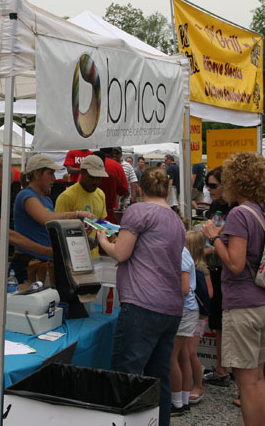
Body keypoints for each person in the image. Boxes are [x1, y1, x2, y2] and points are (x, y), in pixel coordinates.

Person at [97, 167, 186, 426]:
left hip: (141, 304)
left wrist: (103, 239)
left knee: (126, 377)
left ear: (141, 189)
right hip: (170, 308)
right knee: (159, 379)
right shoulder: (176, 220)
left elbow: (121, 253)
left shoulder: (138, 211)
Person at [201, 152, 265, 426]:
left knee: (246, 383)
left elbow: (235, 264)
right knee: (258, 379)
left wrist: (214, 237)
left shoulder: (239, 214)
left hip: (245, 303)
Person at [12, 154, 94, 283]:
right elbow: (46, 219)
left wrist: (80, 230)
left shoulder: (47, 201)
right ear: (37, 174)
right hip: (28, 263)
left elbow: (53, 229)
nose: (54, 178)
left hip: (46, 261)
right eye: (50, 174)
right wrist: (76, 214)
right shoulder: (25, 195)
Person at [202, 166, 233, 388]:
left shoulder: (236, 208)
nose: (209, 189)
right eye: (207, 185)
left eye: (213, 185)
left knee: (224, 321)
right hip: (213, 267)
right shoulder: (215, 206)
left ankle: (226, 369)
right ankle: (221, 368)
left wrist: (211, 247)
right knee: (216, 321)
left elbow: (230, 244)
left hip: (226, 268)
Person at [169, 230, 200, 415]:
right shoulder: (184, 251)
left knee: (172, 357)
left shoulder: (179, 253)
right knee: (183, 356)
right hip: (189, 311)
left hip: (184, 311)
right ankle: (183, 399)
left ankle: (176, 402)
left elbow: (185, 288)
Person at [55, 155, 108, 256]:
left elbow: (101, 223)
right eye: (92, 177)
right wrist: (82, 239)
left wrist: (112, 234)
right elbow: (58, 232)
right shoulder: (67, 197)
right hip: (73, 258)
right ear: (83, 173)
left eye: (99, 178)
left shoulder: (101, 194)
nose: (95, 182)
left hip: (94, 256)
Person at [185, 230, 213, 406]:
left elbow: (210, 293)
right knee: (185, 352)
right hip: (196, 315)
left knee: (191, 352)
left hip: (199, 316)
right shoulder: (196, 267)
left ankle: (198, 385)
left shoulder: (201, 269)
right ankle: (188, 384)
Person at [98, 148, 130, 223]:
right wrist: (120, 202)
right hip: (109, 213)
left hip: (90, 213)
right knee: (109, 234)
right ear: (112, 153)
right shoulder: (116, 167)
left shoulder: (87, 170)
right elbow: (126, 191)